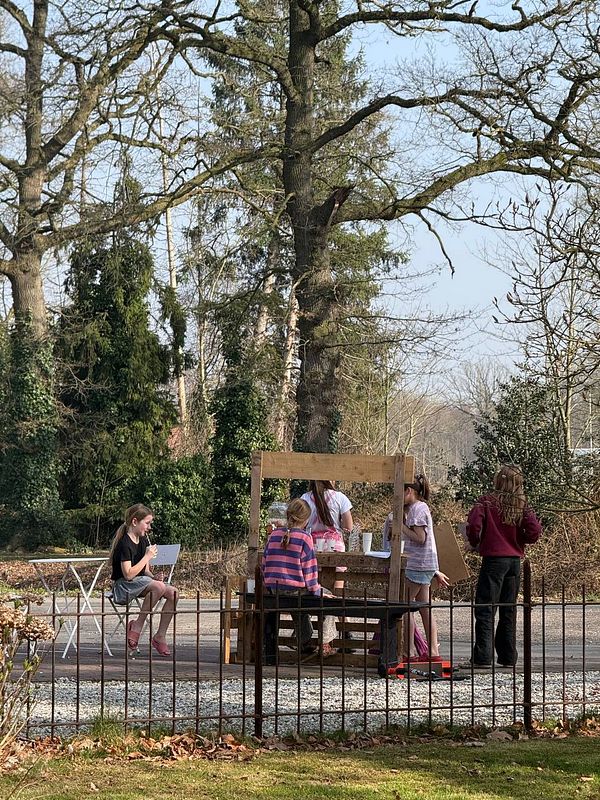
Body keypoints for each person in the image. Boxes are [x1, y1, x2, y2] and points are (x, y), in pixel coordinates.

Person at [464, 464, 541, 670]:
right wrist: (519, 540)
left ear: (498, 480)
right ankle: (507, 656)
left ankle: (483, 655)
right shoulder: (521, 504)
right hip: (514, 561)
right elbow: (534, 530)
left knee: (485, 608)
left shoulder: (487, 502)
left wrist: (475, 542)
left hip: (493, 560)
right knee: (509, 609)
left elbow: (473, 526)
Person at [262, 498, 335, 657]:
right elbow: (309, 571)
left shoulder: (273, 535)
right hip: (296, 590)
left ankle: (305, 641)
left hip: (275, 590)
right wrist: (318, 591)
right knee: (330, 601)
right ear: (307, 519)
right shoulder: (304, 538)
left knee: (298, 607)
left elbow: (264, 564)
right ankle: (325, 643)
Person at [109, 503, 179, 657]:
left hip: (139, 583)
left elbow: (145, 571)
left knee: (173, 593)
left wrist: (154, 577)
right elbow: (128, 574)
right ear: (135, 522)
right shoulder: (124, 544)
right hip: (124, 586)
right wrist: (147, 556)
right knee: (159, 588)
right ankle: (137, 626)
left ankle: (159, 636)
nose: (149, 527)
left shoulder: (143, 541)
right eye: (147, 523)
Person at [301, 480, 354, 651]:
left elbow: (301, 524)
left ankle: (315, 639)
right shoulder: (339, 497)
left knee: (316, 592)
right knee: (336, 594)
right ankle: (344, 634)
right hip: (335, 548)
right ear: (330, 480)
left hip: (313, 548)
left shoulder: (305, 498)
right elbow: (348, 526)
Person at [401, 474, 444, 662]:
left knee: (404, 606)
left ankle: (409, 651)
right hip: (426, 564)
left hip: (417, 564)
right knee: (424, 608)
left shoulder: (418, 509)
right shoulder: (421, 508)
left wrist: (400, 527)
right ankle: (433, 651)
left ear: (409, 491)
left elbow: (420, 537)